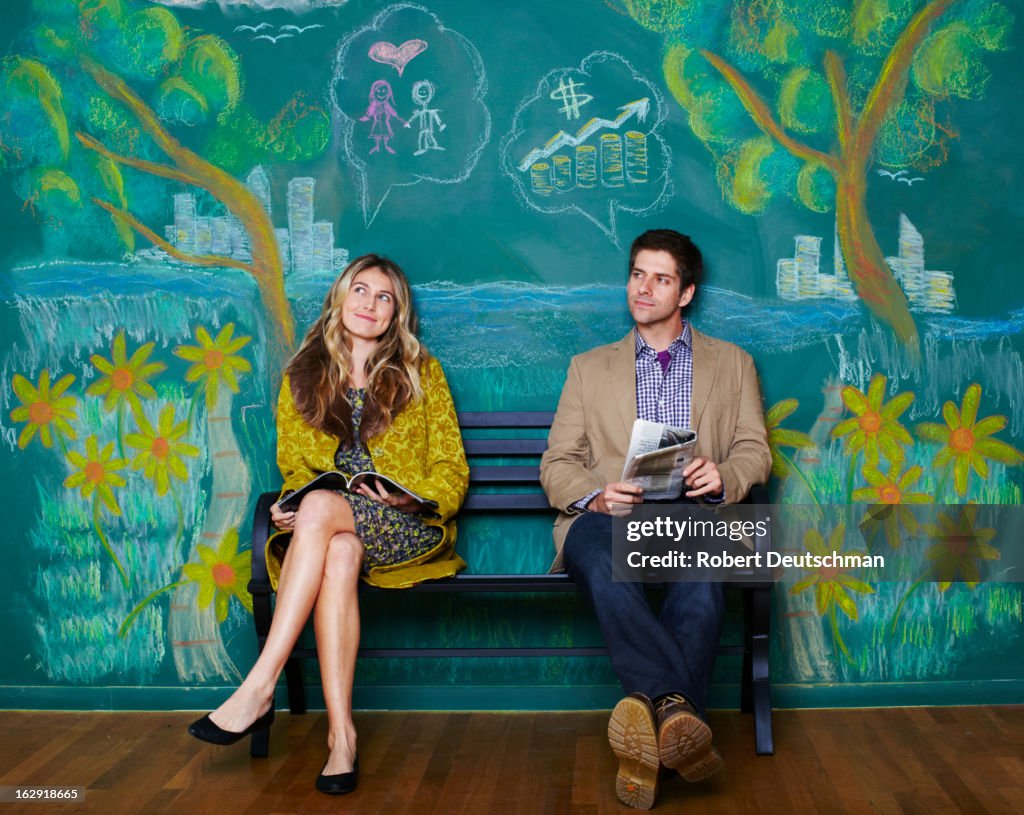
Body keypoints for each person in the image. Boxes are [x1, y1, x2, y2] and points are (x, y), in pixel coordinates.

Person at [188, 254, 469, 796]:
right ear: (339, 299)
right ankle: (342, 738)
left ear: (397, 313)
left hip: (405, 528)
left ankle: (259, 685)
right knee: (336, 548)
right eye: (360, 290)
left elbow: (452, 467)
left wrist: (417, 502)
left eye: (384, 297)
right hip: (332, 530)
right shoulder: (302, 374)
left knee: (321, 514)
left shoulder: (421, 371)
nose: (369, 304)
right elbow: (295, 466)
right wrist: (287, 504)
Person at [539, 229, 770, 809]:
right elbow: (556, 462)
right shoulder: (589, 368)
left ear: (686, 292)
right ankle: (677, 715)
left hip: (695, 516)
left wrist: (725, 477)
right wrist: (596, 495)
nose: (644, 288)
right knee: (593, 549)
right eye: (638, 274)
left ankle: (650, 737)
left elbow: (755, 449)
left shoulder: (733, 363)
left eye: (661, 278)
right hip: (610, 520)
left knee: (703, 577)